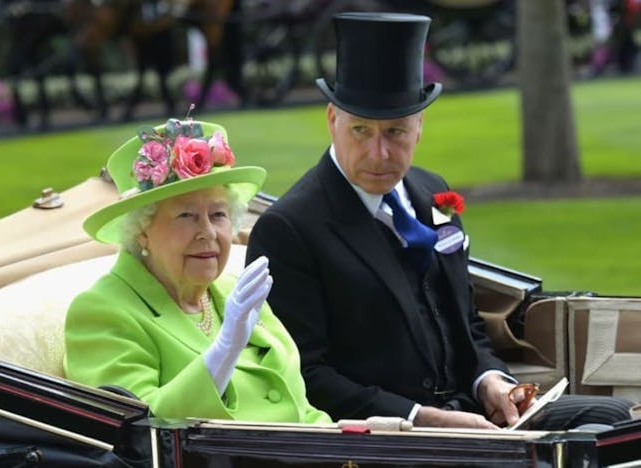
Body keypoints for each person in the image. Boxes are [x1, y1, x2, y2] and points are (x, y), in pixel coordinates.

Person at [245, 12, 633, 430]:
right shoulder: (288, 230)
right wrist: (423, 420)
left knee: (612, 421)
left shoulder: (432, 193)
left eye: (395, 132)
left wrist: (492, 383)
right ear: (332, 120)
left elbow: (465, 323)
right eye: (361, 131)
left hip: (474, 414)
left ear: (419, 126)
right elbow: (305, 376)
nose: (379, 154)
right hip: (389, 439)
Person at [64, 116, 330, 424]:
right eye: (186, 215)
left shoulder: (234, 293)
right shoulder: (101, 312)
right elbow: (142, 430)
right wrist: (224, 350)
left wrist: (355, 439)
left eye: (218, 214)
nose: (207, 232)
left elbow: (302, 410)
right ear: (141, 230)